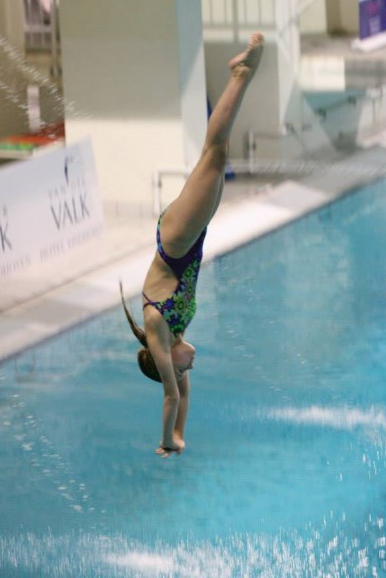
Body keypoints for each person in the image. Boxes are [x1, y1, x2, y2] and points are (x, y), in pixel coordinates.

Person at [121, 33, 264, 458]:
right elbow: (183, 398)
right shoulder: (174, 337)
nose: (189, 367)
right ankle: (241, 75)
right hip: (190, 241)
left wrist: (167, 441)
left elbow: (170, 398)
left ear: (164, 360)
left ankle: (240, 73)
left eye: (182, 368)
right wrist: (183, 435)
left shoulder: (158, 331)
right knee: (215, 158)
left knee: (214, 154)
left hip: (177, 240)